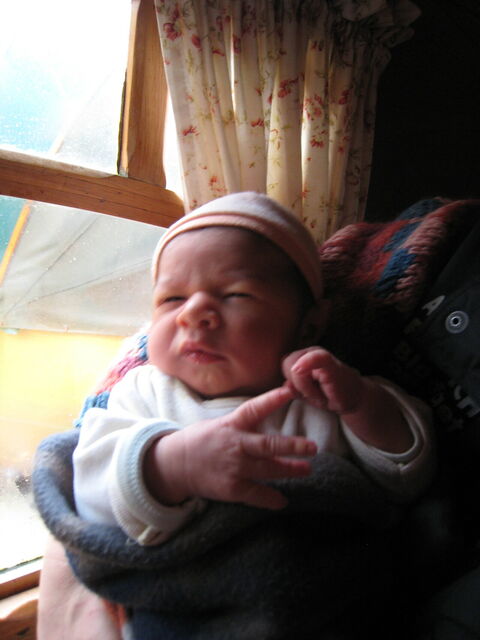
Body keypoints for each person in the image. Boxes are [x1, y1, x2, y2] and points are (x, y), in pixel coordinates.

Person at [72, 191, 434, 548]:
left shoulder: (324, 395)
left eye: (236, 294)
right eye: (172, 298)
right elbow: (89, 497)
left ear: (308, 326)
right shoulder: (143, 391)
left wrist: (359, 403)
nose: (192, 313)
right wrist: (172, 466)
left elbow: (407, 476)